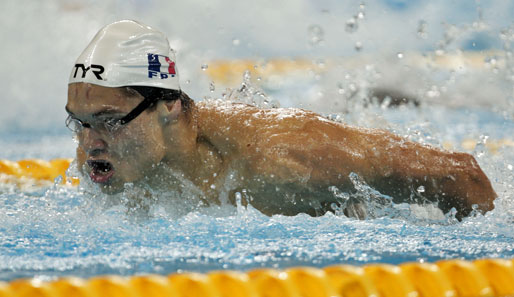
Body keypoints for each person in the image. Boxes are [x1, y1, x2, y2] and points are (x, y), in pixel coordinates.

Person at [65, 20, 497, 219]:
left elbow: (463, 176)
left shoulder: (283, 156)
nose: (89, 144)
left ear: (169, 106)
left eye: (110, 120)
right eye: (80, 122)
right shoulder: (111, 154)